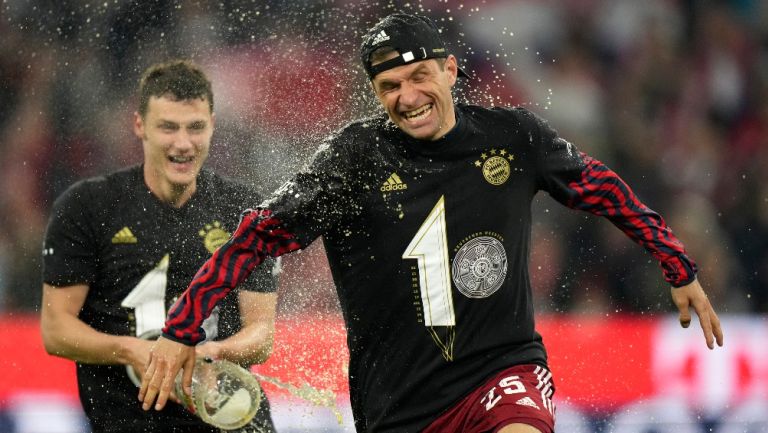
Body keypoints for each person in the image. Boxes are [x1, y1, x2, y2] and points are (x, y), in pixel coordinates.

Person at [139, 14, 724, 433]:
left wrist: (676, 264)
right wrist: (182, 327)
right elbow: (257, 236)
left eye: (419, 76)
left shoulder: (513, 137)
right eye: (388, 86)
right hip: (398, 407)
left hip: (504, 373)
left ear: (449, 70)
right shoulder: (353, 157)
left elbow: (603, 188)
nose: (407, 95)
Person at [40, 59, 279, 433]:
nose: (183, 143)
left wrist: (212, 353)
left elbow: (261, 334)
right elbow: (56, 330)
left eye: (195, 127)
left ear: (213, 126)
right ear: (140, 125)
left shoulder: (245, 210)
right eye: (168, 127)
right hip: (128, 422)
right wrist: (132, 350)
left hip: (230, 421)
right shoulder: (87, 206)